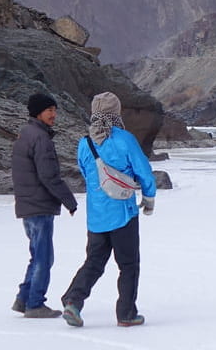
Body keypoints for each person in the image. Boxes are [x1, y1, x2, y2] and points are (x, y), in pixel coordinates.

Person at [60, 92, 157, 328]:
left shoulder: (85, 143)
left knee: (94, 262)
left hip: (96, 216)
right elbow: (143, 171)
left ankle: (73, 301)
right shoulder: (125, 139)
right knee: (128, 265)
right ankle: (126, 313)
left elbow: (85, 173)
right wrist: (149, 197)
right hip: (123, 213)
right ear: (116, 113)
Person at [11, 92, 78, 318]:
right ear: (38, 112)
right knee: (43, 258)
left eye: (55, 110)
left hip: (27, 205)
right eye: (50, 110)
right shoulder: (40, 138)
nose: (54, 115)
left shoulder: (26, 134)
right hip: (39, 207)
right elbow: (49, 176)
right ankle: (35, 304)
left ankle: (23, 299)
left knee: (38, 255)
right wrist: (69, 200)